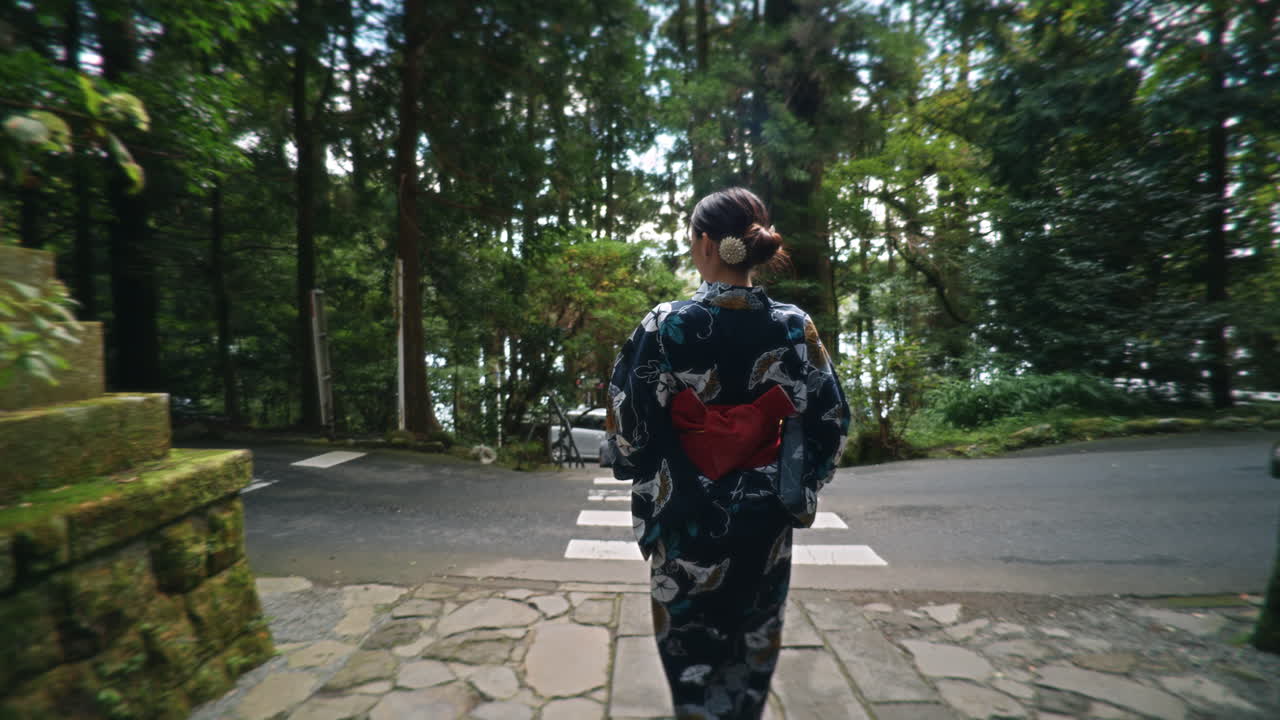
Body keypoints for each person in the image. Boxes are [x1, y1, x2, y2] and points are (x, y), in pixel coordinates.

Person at [606, 187, 851, 719]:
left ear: (705, 244)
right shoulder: (793, 326)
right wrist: (800, 479)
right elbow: (831, 422)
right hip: (764, 522)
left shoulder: (665, 325)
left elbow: (629, 430)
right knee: (750, 652)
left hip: (684, 515)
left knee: (690, 656)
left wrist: (631, 462)